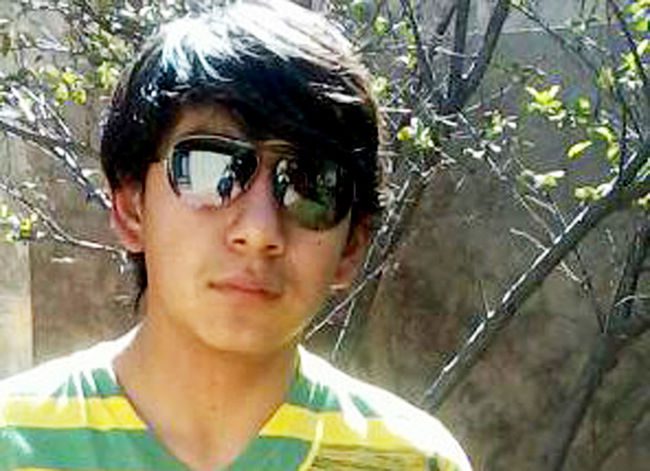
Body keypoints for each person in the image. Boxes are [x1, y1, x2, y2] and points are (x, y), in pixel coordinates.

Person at [0, 1, 472, 470]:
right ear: (131, 208)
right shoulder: (14, 443)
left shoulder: (414, 460)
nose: (259, 230)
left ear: (352, 244)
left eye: (310, 184)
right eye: (211, 167)